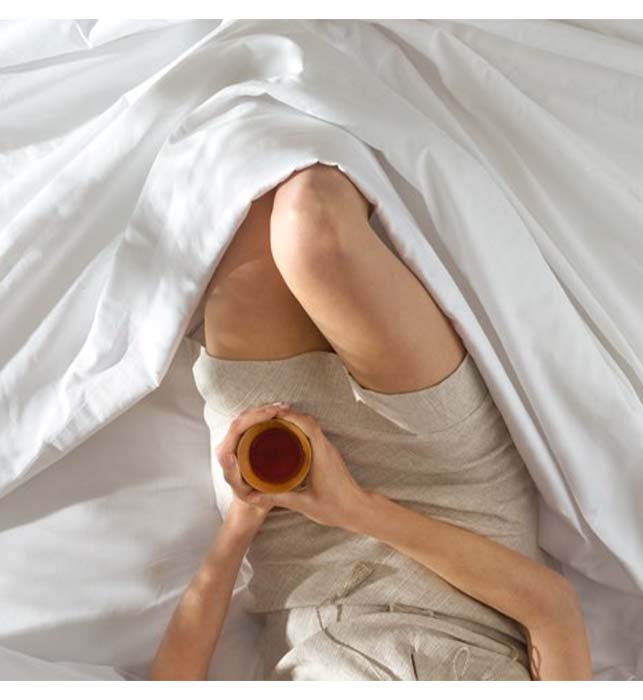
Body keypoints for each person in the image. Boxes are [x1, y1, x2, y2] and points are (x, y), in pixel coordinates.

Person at [149, 164, 592, 681]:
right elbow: (553, 609)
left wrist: (240, 526)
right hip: (449, 491)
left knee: (249, 192)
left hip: (289, 515)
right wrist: (356, 508)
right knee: (310, 218)